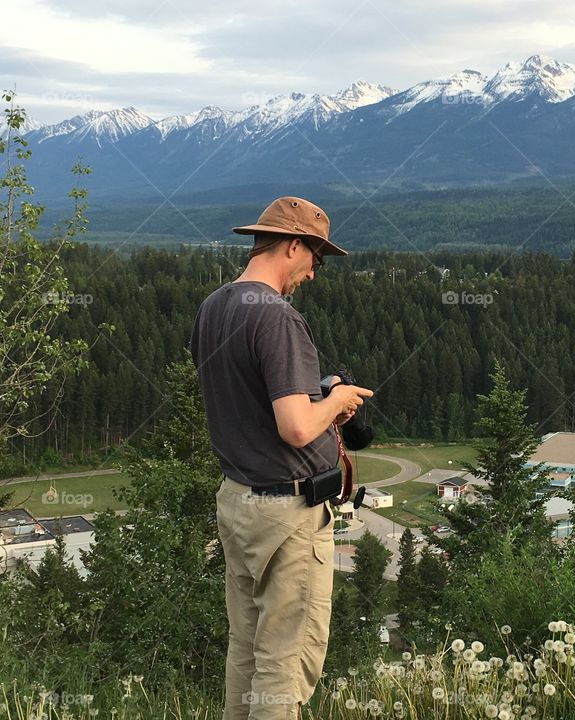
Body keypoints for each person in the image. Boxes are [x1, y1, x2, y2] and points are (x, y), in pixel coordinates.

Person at [189, 196, 373, 720]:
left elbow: (251, 403)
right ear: (293, 245)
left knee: (246, 652)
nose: (314, 274)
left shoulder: (215, 305)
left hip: (238, 503)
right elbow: (294, 428)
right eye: (315, 259)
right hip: (287, 515)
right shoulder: (277, 318)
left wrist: (317, 409)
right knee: (285, 663)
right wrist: (336, 400)